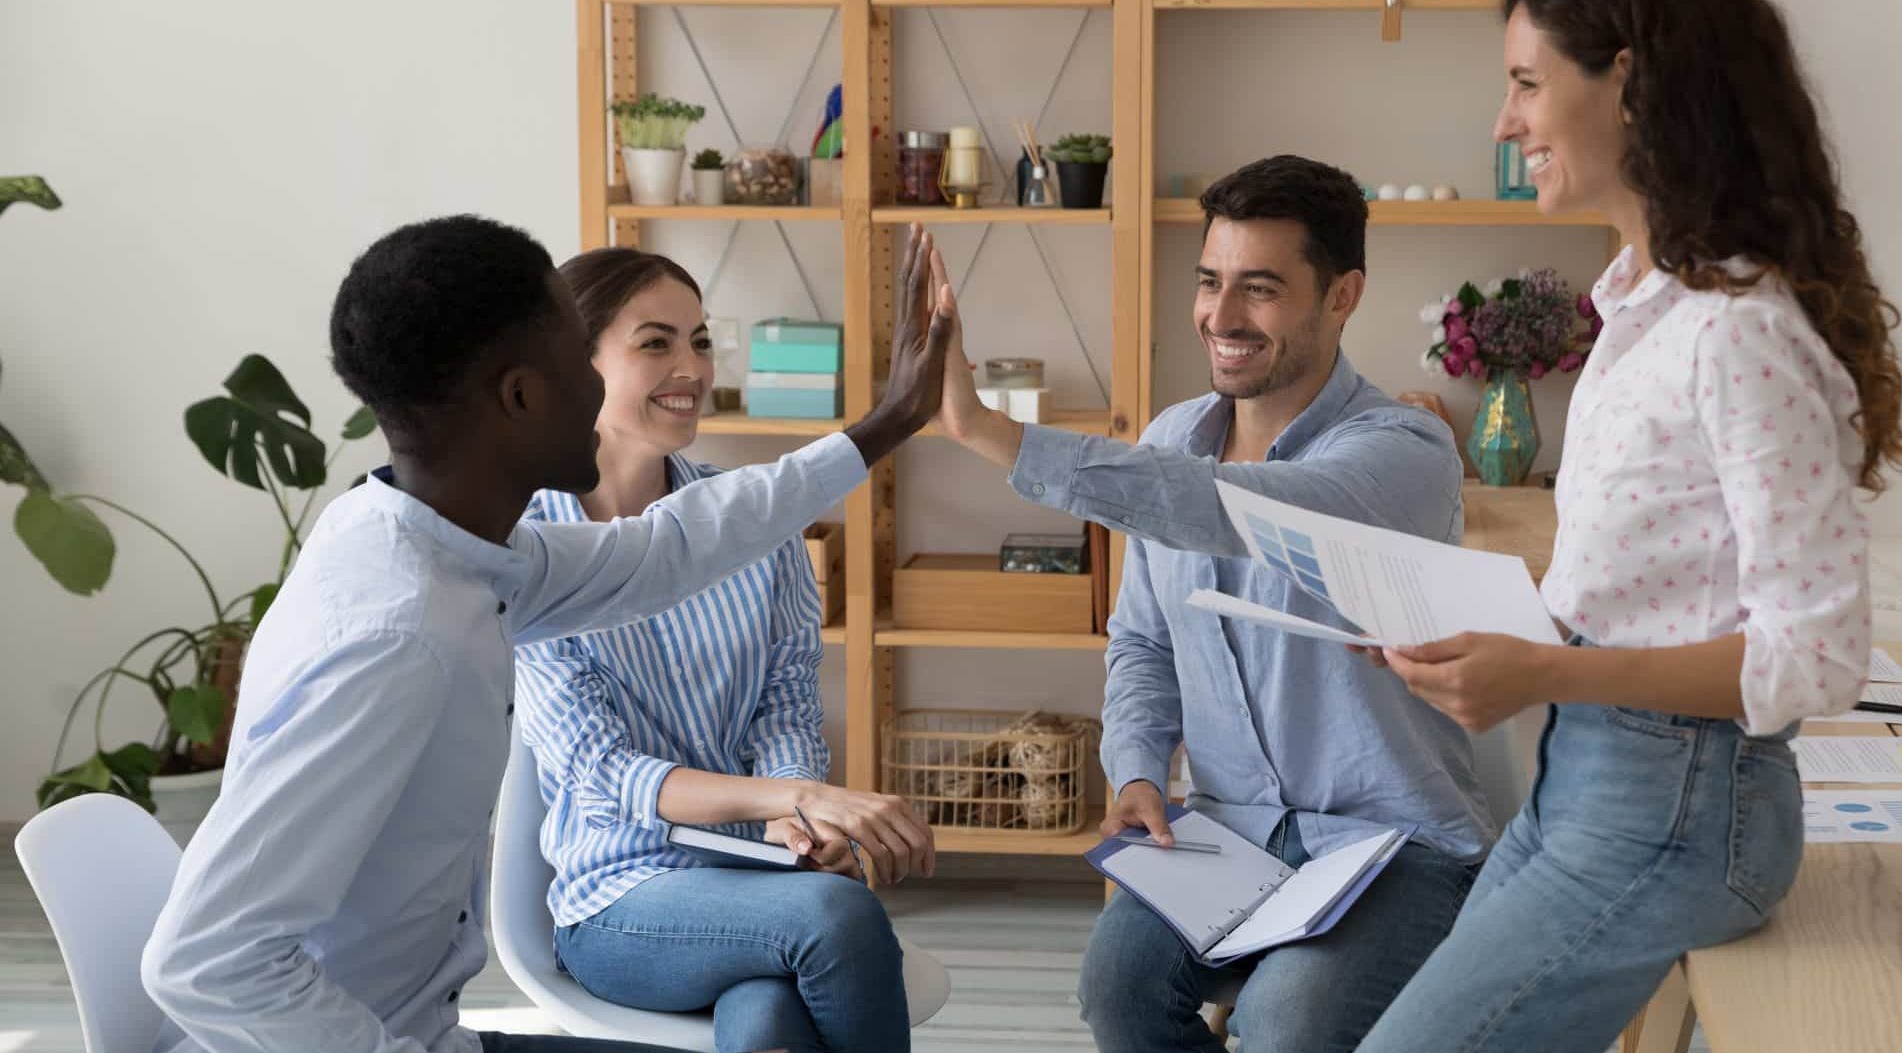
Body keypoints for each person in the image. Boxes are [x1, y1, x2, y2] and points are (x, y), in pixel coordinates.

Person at [141, 216, 954, 1053]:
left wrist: (889, 421)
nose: (604, 393)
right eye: (581, 362)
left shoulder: (451, 551)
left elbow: (668, 548)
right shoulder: (394, 640)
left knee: (770, 1023)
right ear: (524, 395)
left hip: (435, 1033)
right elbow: (206, 961)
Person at [1354, 0, 1902, 1052]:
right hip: (1589, 790)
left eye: (1524, 83)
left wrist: (1545, 667)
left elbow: (1814, 657)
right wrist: (1486, 624)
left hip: (1676, 816)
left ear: (1632, 84)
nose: (1502, 122)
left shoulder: (1734, 334)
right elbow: (1653, 582)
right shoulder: (1636, 308)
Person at [935, 156, 1490, 1053]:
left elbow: (1241, 510)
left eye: (1260, 290)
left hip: (1393, 847)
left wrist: (990, 432)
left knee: (1285, 1023)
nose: (1221, 318)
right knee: (1116, 989)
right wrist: (1140, 771)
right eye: (1210, 282)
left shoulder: (1404, 451)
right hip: (1230, 832)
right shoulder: (1169, 441)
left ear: (1342, 295)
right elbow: (1144, 645)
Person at [516, 248, 932, 1053]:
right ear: (578, 361)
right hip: (621, 900)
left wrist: (799, 826)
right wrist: (793, 800)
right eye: (656, 343)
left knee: (769, 1025)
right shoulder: (530, 550)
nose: (691, 368)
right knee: (837, 918)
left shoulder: (749, 521)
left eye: (701, 341)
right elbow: (606, 775)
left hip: (757, 881)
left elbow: (784, 701)